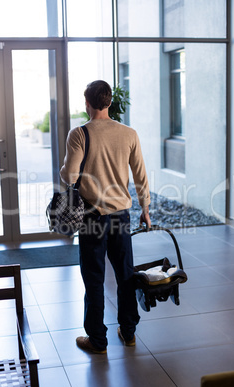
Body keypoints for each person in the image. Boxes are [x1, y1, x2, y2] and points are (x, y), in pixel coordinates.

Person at [60, 80, 151, 354]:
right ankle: (129, 332)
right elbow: (140, 175)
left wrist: (66, 165)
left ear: (86, 103)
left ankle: (98, 340)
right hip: (120, 216)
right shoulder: (129, 133)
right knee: (125, 275)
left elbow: (70, 176)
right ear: (109, 102)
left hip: (92, 218)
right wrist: (145, 208)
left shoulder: (79, 134)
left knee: (94, 278)